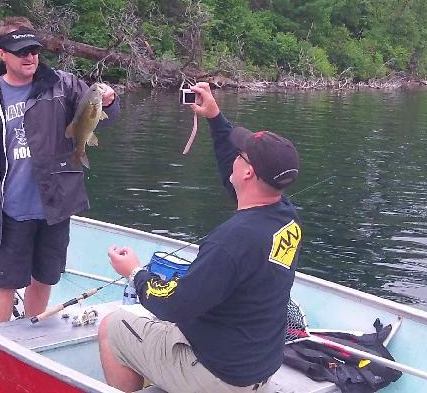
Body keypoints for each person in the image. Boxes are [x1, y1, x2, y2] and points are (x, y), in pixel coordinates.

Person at [98, 82, 302, 393]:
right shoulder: (286, 216)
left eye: (240, 153)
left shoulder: (230, 242)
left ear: (248, 173)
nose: (234, 156)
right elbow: (232, 178)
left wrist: (135, 274)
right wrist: (215, 118)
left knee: (111, 328)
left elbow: (174, 306)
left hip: (218, 378)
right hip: (257, 367)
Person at [0, 16, 119, 324]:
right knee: (5, 283)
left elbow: (101, 112)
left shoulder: (63, 85)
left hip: (55, 205)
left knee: (44, 277)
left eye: (34, 50)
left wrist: (109, 101)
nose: (29, 57)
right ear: (2, 54)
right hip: (9, 209)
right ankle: (0, 341)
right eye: (21, 51)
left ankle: (33, 333)